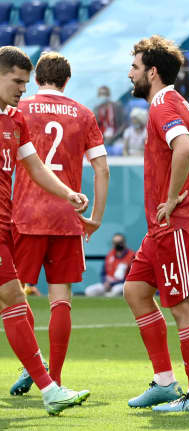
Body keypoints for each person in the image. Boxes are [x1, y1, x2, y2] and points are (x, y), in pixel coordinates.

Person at [9, 52, 109, 390]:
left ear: (36, 79)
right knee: (61, 299)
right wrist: (95, 217)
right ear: (67, 80)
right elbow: (102, 168)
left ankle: (32, 365)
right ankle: (54, 378)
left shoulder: (18, 107)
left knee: (12, 295)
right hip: (68, 216)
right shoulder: (83, 114)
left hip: (23, 215)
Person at [0, 45, 90, 415]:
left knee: (11, 302)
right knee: (14, 299)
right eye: (16, 82)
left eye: (25, 82)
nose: (22, 89)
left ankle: (48, 387)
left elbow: (35, 166)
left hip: (9, 222)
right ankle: (50, 389)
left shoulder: (15, 119)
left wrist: (69, 193)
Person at [124, 36, 189, 413]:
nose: (130, 74)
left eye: (135, 67)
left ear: (153, 72)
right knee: (135, 291)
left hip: (176, 223)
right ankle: (163, 382)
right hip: (161, 227)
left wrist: (173, 197)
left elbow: (186, 148)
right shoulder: (169, 103)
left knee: (184, 308)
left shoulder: (163, 104)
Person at [84, 233, 135, 297]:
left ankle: (107, 297)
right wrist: (105, 282)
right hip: (107, 284)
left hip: (121, 284)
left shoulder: (131, 255)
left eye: (120, 242)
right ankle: (104, 299)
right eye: (115, 242)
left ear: (124, 242)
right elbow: (103, 273)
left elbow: (132, 276)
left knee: (116, 291)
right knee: (89, 291)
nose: (118, 244)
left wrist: (113, 283)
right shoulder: (110, 255)